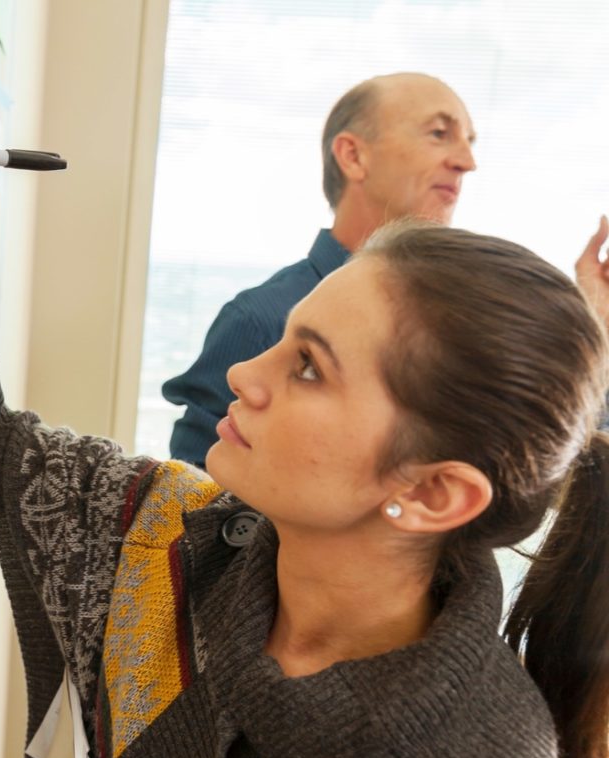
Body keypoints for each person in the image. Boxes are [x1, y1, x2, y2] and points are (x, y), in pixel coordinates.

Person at [0, 86, 609, 758]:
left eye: (309, 369)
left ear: (431, 490)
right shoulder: (164, 536)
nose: (242, 374)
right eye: (287, 340)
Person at [162, 72, 608, 469]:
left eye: (469, 142)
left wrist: (596, 328)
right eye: (439, 133)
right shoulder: (258, 319)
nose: (466, 162)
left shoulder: (462, 325)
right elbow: (193, 520)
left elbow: (553, 461)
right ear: (353, 156)